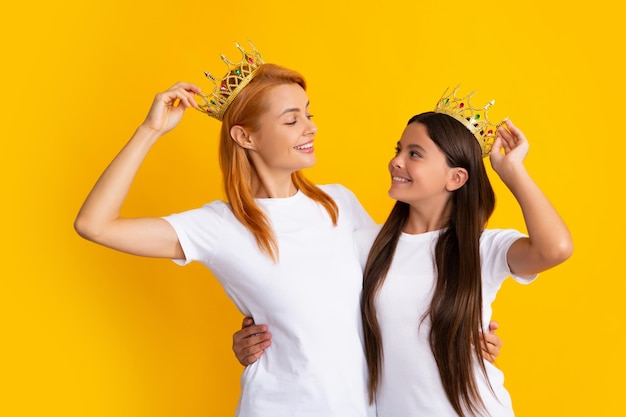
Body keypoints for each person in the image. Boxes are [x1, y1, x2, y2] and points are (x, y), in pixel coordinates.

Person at [74, 42, 377, 417]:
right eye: (291, 119)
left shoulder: (338, 204)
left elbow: (404, 278)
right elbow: (95, 225)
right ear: (244, 137)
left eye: (308, 114)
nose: (310, 127)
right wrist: (150, 130)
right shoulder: (218, 226)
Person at [233, 90, 572, 417]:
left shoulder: (483, 248)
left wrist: (512, 170)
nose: (395, 161)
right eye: (399, 149)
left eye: (414, 153)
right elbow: (302, 291)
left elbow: (554, 248)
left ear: (455, 178)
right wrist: (258, 333)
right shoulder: (366, 244)